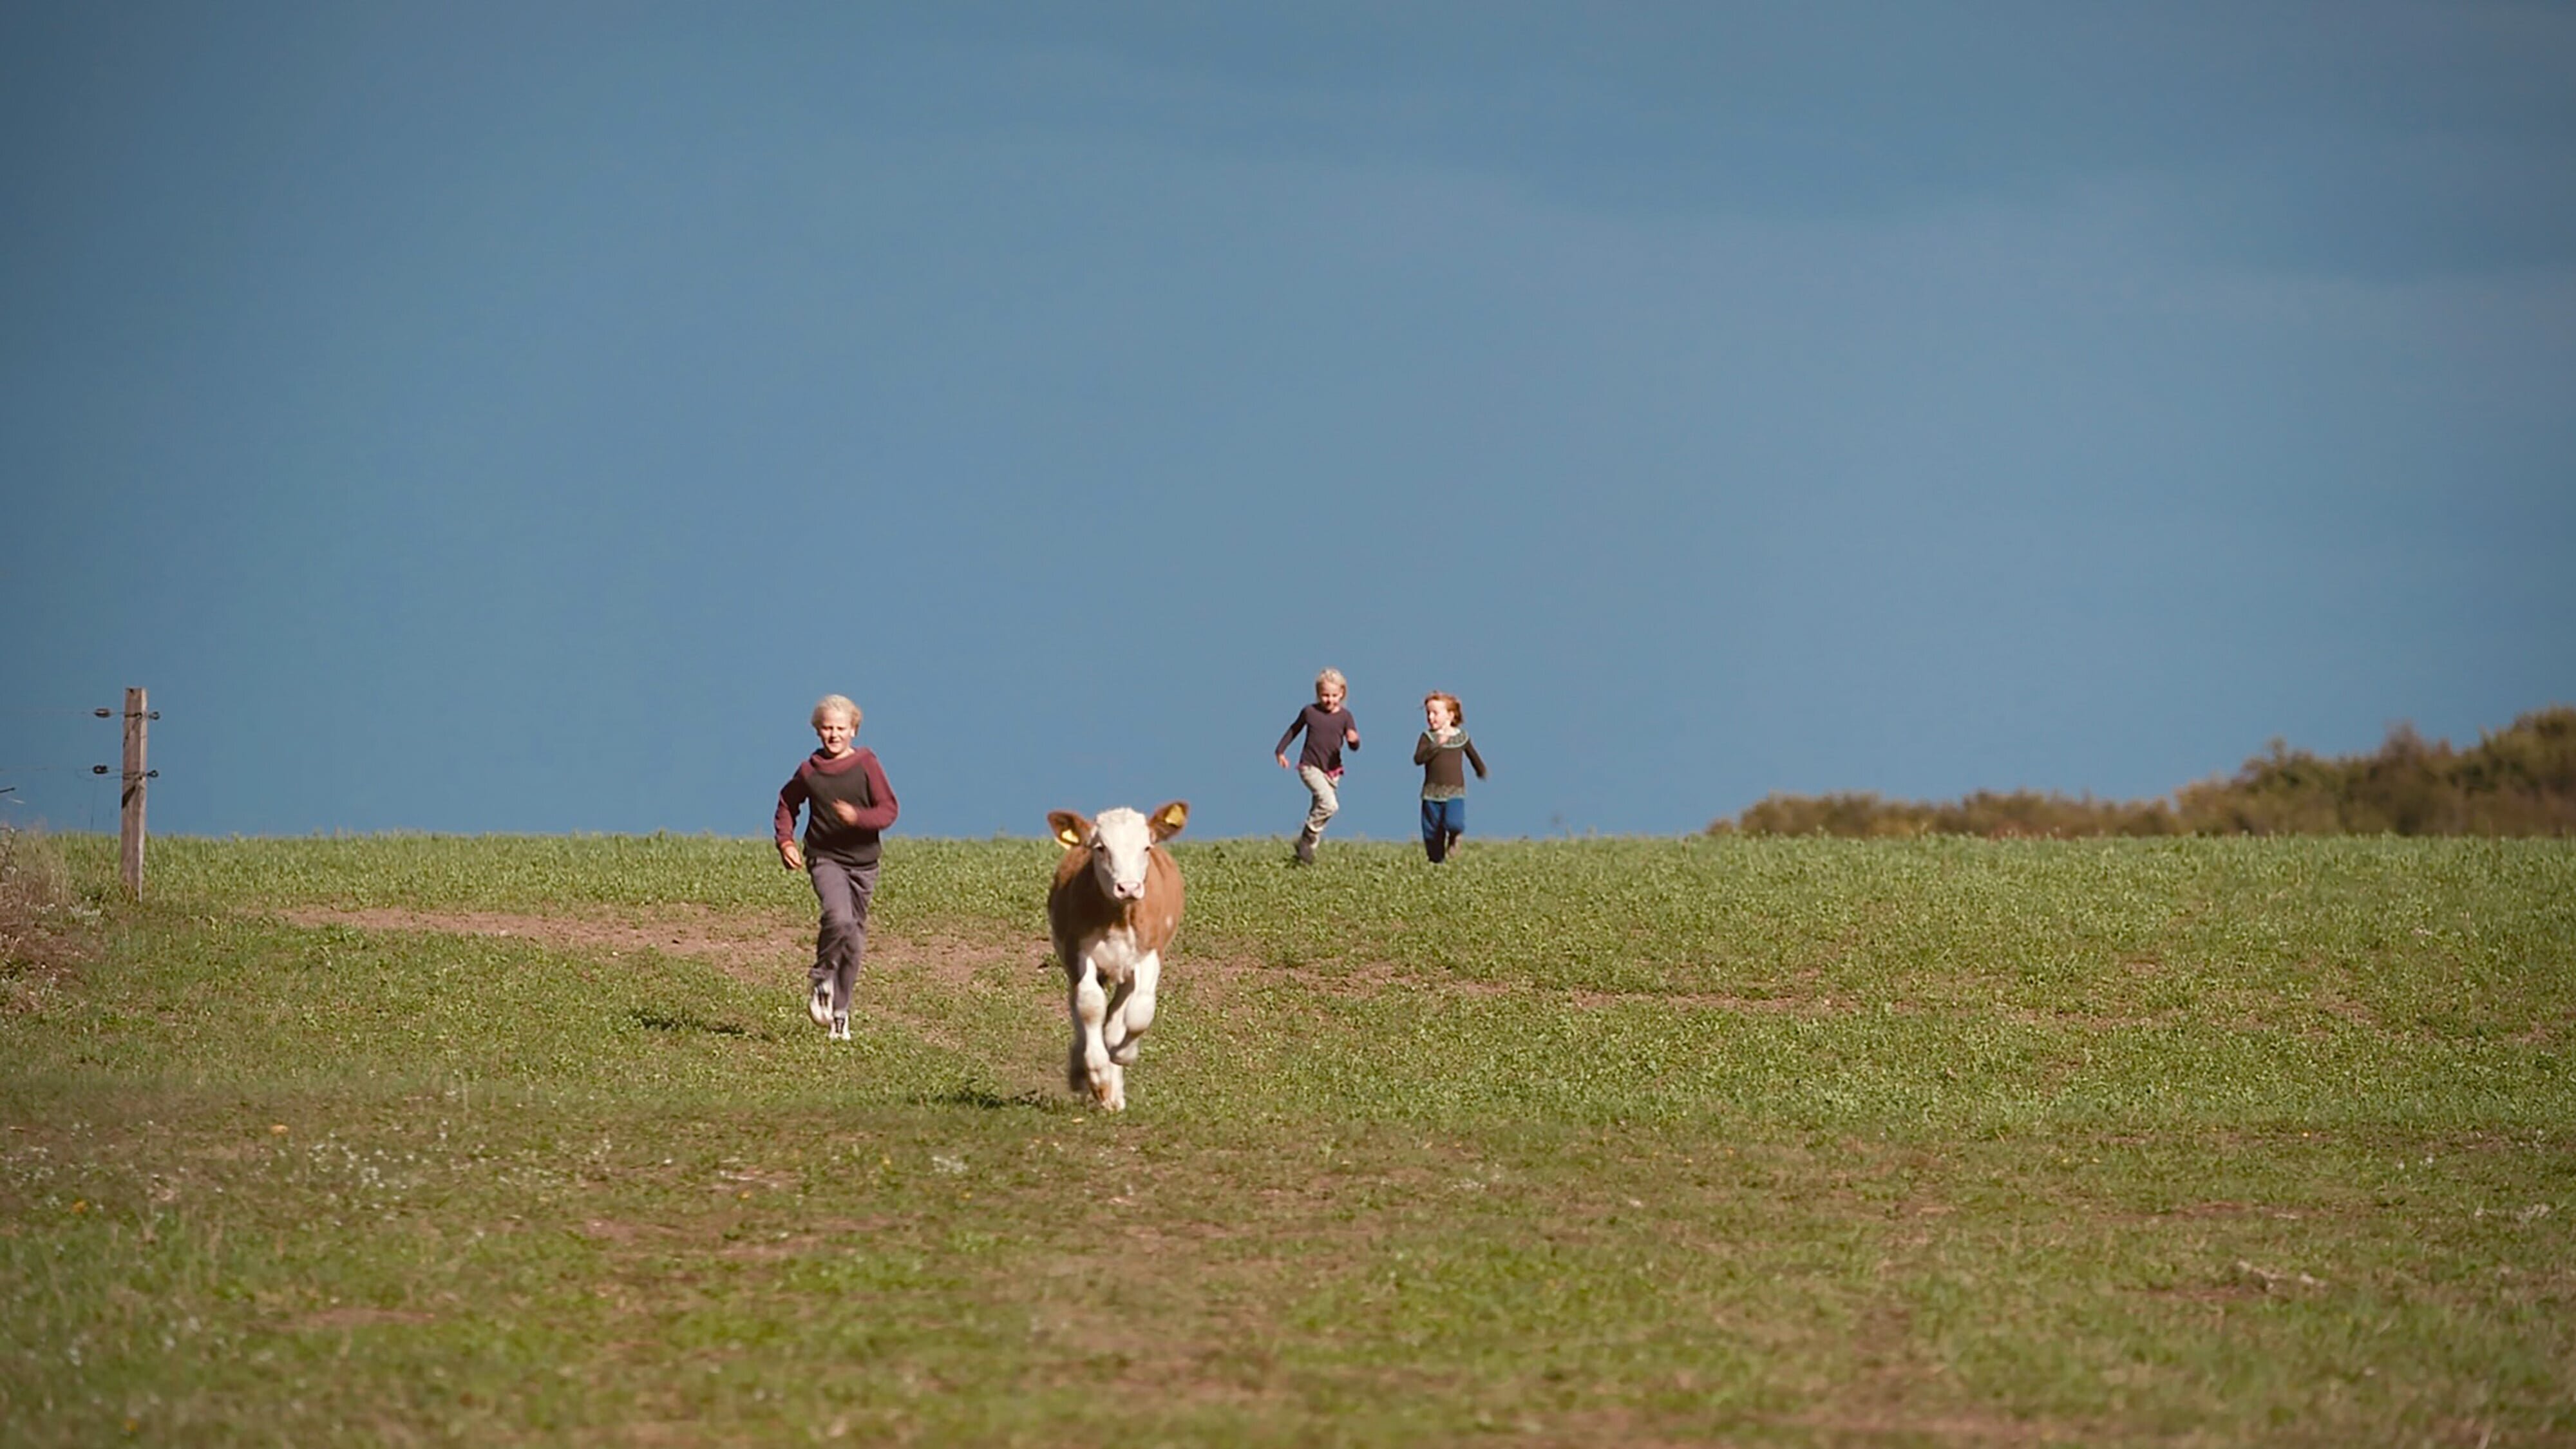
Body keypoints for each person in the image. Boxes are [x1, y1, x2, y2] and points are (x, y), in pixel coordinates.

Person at [775, 694, 898, 1041]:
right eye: (827, 728)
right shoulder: (810, 771)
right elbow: (788, 802)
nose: (834, 735)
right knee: (838, 919)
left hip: (864, 864)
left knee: (855, 941)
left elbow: (889, 810)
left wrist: (858, 817)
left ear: (853, 731)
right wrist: (785, 841)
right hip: (825, 857)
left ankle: (841, 1013)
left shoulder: (867, 764)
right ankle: (822, 978)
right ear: (817, 731)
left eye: (841, 728)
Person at [1274, 667, 1360, 864]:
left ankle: (1305, 855)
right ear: (1318, 694)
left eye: (1334, 695)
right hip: (1310, 766)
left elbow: (1354, 745)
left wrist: (1353, 740)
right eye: (1325, 695)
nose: (1329, 700)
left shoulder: (1346, 717)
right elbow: (1294, 730)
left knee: (1319, 809)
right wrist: (1280, 751)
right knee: (1329, 805)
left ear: (1342, 694)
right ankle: (1307, 836)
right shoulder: (1310, 712)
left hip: (1333, 771)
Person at [1413, 691, 1486, 864]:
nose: (1431, 717)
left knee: (1455, 823)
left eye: (1435, 713)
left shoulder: (1461, 737)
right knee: (1432, 833)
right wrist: (1436, 745)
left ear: (1450, 715)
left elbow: (1473, 756)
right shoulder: (1427, 737)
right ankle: (1437, 863)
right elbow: (1419, 759)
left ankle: (1454, 838)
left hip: (1455, 791)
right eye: (1428, 713)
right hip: (1431, 793)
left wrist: (1481, 770)